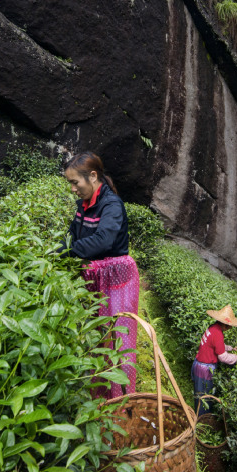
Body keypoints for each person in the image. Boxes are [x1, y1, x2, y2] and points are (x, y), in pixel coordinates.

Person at [62, 151, 139, 400]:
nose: (73, 188)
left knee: (117, 339)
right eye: (70, 183)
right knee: (97, 338)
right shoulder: (82, 205)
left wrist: (66, 253)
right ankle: (99, 396)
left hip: (117, 279)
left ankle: (122, 401)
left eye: (76, 182)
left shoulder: (111, 204)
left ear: (93, 176)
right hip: (96, 277)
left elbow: (103, 242)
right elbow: (73, 237)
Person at [192, 304, 237, 413]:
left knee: (200, 394)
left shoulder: (213, 328)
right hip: (204, 369)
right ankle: (201, 422)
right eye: (229, 325)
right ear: (225, 325)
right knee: (204, 398)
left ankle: (198, 416)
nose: (230, 328)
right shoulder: (218, 334)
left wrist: (230, 348)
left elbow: (216, 345)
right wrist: (236, 357)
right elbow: (222, 357)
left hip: (199, 364)